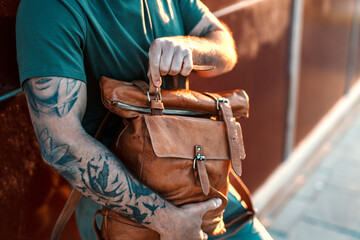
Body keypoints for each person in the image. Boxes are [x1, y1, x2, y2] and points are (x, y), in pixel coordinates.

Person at [16, 0, 273, 239]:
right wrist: (170, 221)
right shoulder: (50, 7)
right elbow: (62, 143)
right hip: (123, 206)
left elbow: (224, 46)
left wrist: (189, 47)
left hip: (199, 176)